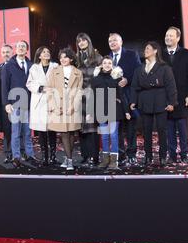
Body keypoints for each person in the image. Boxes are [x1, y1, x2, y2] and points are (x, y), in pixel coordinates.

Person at [130, 42, 177, 167]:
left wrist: (172, 102)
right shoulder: (139, 69)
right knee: (146, 131)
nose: (145, 50)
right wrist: (133, 101)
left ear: (156, 51)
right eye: (145, 48)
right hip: (144, 103)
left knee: (162, 130)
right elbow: (134, 86)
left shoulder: (164, 67)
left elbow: (171, 86)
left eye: (148, 48)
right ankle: (148, 156)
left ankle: (162, 156)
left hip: (161, 102)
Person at [162, 27, 188, 164]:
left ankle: (184, 154)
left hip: (182, 98)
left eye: (171, 36)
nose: (168, 38)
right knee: (169, 129)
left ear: (178, 38)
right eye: (166, 35)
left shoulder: (187, 54)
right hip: (166, 98)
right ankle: (172, 155)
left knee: (182, 129)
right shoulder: (160, 54)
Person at [1, 41, 37, 168]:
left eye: (23, 46)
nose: (21, 48)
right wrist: (6, 103)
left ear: (27, 50)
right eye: (19, 46)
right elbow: (4, 86)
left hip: (28, 104)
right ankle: (16, 157)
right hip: (15, 104)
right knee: (15, 133)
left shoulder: (31, 65)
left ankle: (30, 155)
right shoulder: (9, 66)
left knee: (27, 132)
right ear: (15, 50)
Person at [108, 33, 142, 165]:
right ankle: (120, 154)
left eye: (115, 40)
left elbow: (138, 73)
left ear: (121, 42)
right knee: (117, 127)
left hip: (128, 96)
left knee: (131, 127)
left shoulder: (132, 54)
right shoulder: (107, 58)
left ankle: (132, 153)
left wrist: (128, 80)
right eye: (110, 41)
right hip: (114, 98)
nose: (112, 43)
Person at [92, 56, 131, 170]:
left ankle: (114, 162)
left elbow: (122, 95)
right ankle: (105, 160)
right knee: (104, 136)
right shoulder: (96, 79)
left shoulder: (117, 78)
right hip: (101, 109)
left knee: (113, 135)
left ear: (112, 65)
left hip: (114, 109)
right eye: (105, 63)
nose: (107, 65)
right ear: (101, 65)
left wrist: (126, 111)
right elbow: (93, 96)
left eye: (109, 63)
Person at [47, 47, 83, 171]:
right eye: (61, 57)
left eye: (65, 57)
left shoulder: (78, 72)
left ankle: (68, 159)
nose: (63, 59)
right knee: (64, 133)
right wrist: (54, 107)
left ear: (71, 58)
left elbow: (79, 91)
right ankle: (70, 160)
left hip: (72, 106)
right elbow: (49, 90)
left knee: (71, 133)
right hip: (59, 107)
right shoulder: (54, 71)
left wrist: (74, 106)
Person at [26, 46, 59, 166]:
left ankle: (53, 157)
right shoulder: (34, 68)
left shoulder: (55, 66)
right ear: (39, 55)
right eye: (44, 52)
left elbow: (60, 82)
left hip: (52, 101)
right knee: (41, 132)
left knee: (52, 131)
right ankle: (45, 157)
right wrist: (41, 88)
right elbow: (29, 83)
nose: (46, 53)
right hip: (39, 102)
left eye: (48, 51)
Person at [76, 33, 102, 167]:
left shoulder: (97, 57)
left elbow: (102, 76)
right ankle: (85, 156)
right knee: (82, 128)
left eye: (83, 40)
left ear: (88, 41)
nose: (81, 43)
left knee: (92, 128)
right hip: (80, 97)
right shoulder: (76, 59)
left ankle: (95, 156)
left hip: (93, 95)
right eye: (79, 41)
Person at [0, 44, 14, 163]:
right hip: (4, 103)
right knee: (7, 129)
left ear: (12, 52)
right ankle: (8, 153)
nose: (5, 54)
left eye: (7, 52)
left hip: (18, 101)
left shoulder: (17, 65)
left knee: (19, 129)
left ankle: (21, 152)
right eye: (3, 52)